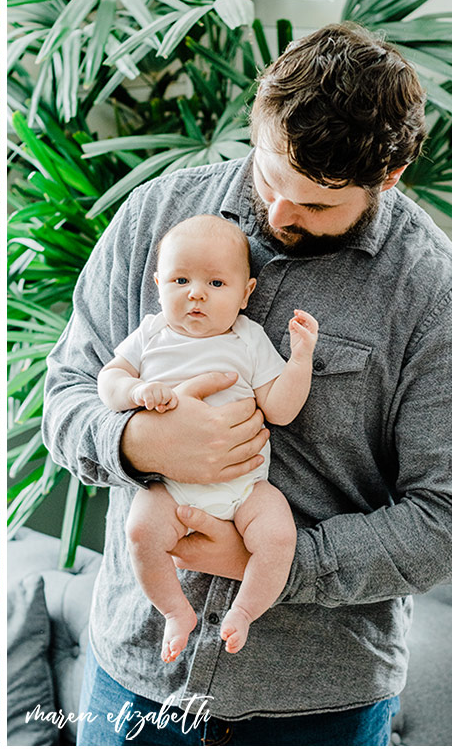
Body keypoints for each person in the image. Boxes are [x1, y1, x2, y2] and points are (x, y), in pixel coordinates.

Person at [42, 23, 452, 746]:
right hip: (132, 678)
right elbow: (66, 391)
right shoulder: (154, 218)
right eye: (268, 177)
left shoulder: (439, 299)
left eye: (318, 204)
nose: (281, 214)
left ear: (387, 178)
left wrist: (282, 563)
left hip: (316, 710)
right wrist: (134, 438)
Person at [98, 215, 318, 661]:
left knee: (278, 536)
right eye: (180, 280)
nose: (196, 293)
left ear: (246, 293)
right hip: (168, 487)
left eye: (216, 283)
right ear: (158, 283)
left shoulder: (249, 338)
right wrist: (135, 392)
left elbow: (279, 408)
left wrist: (300, 361)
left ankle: (244, 611)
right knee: (140, 530)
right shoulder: (151, 334)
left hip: (245, 488)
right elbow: (108, 379)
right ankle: (176, 611)